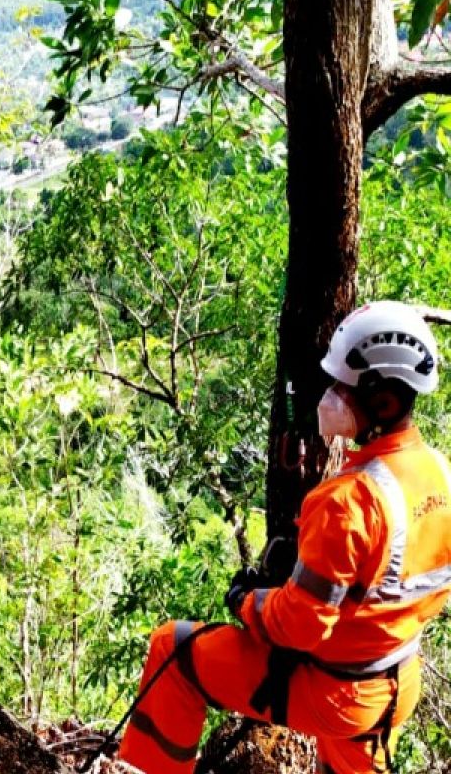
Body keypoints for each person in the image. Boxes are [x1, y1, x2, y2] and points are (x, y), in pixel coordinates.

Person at [116, 301, 451, 774]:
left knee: (173, 651)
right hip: (394, 683)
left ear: (384, 401)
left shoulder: (349, 500)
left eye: (343, 386)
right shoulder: (440, 473)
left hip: (337, 693)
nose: (331, 396)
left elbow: (299, 626)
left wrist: (245, 602)